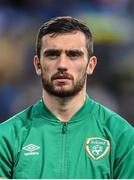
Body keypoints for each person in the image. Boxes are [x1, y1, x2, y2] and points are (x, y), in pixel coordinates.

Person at [0, 16, 134, 179]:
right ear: (37, 65)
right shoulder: (6, 137)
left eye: (73, 55)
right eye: (52, 54)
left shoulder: (121, 135)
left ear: (90, 65)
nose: (62, 64)